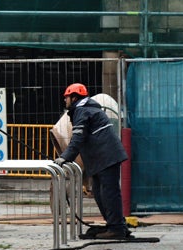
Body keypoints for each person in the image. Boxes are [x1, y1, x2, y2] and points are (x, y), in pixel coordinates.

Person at [54, 83, 130, 239]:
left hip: (106, 157)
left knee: (108, 193)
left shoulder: (82, 111)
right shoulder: (86, 109)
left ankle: (117, 228)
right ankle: (114, 224)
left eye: (66, 98)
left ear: (74, 98)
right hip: (101, 158)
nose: (65, 101)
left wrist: (64, 157)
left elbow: (78, 138)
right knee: (99, 192)